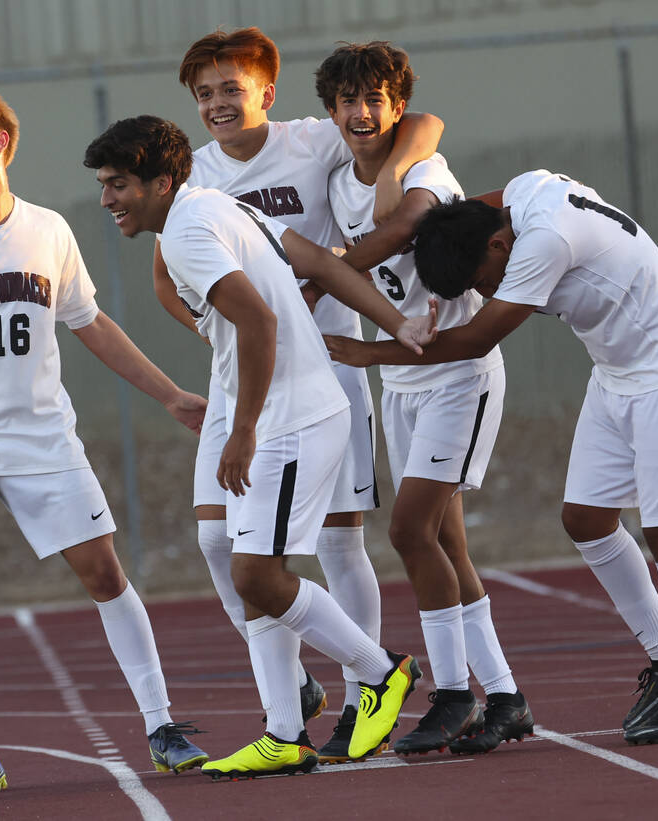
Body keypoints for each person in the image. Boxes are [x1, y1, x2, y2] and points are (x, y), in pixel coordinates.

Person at [326, 170, 658, 745]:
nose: (485, 288)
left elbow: (475, 339)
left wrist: (364, 351)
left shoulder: (540, 244)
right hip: (617, 372)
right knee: (586, 520)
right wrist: (412, 239)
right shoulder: (520, 198)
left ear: (499, 248)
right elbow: (460, 213)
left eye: (482, 278)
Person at [0, 85, 210, 802]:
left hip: (44, 444)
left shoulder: (49, 230)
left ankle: (162, 727)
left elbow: (91, 326)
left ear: (1, 139)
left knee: (104, 574)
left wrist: (170, 394)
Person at [84, 114, 435, 777]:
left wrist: (242, 429)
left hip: (291, 418)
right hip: (283, 410)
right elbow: (316, 264)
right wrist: (397, 324)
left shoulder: (191, 227)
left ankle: (381, 672)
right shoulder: (214, 205)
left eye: (118, 184)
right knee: (246, 568)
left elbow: (261, 318)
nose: (107, 200)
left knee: (258, 574)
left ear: (161, 182)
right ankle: (282, 731)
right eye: (104, 186)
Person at [153, 26, 445, 745]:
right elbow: (165, 280)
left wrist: (389, 173)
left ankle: (359, 698)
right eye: (204, 94)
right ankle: (297, 682)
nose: (218, 103)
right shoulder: (191, 175)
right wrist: (217, 332)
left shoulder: (312, 140)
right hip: (243, 380)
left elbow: (425, 122)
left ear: (266, 93)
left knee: (339, 546)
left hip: (327, 371)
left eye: (231, 89)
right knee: (219, 541)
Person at [316, 42, 533, 758]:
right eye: (347, 100)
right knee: (444, 542)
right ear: (331, 110)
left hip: (456, 375)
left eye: (374, 98)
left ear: (396, 106)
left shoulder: (423, 169)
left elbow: (407, 224)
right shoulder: (337, 175)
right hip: (405, 380)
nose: (360, 111)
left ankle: (451, 694)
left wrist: (324, 275)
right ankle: (503, 694)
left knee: (409, 532)